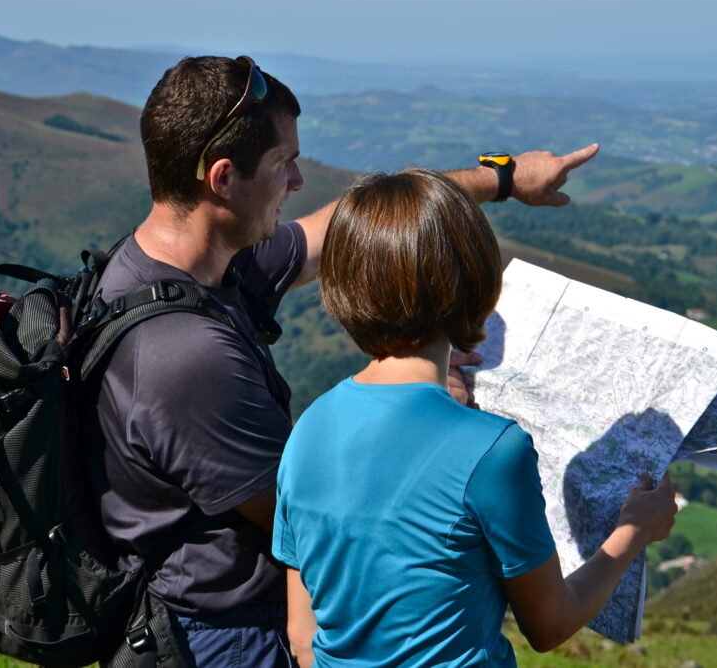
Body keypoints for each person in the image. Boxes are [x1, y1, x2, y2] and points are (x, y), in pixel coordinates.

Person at [88, 55, 599, 667]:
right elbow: (335, 509)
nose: (300, 180)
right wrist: (440, 419)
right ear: (223, 179)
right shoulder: (183, 355)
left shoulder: (202, 263)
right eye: (283, 164)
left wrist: (507, 178)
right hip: (226, 635)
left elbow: (355, 226)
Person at [273, 169, 678, 666]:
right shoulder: (493, 449)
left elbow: (301, 633)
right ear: (480, 289)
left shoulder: (307, 428)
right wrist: (634, 530)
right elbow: (549, 625)